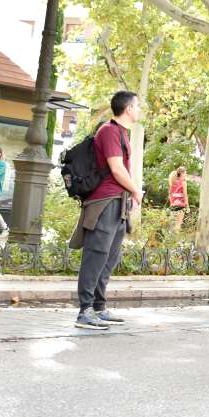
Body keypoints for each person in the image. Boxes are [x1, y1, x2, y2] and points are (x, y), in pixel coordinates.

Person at [68, 91, 142, 330]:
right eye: (137, 106)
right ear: (128, 108)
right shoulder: (109, 131)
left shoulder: (122, 133)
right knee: (96, 253)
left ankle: (98, 306)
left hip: (118, 202)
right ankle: (85, 311)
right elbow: (117, 169)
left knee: (111, 256)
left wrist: (128, 196)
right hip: (105, 202)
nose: (139, 110)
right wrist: (136, 191)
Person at [167, 166, 189, 231]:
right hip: (181, 205)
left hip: (173, 205)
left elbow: (170, 194)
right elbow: (185, 195)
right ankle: (176, 240)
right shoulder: (183, 182)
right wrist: (187, 206)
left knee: (172, 224)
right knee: (178, 224)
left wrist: (172, 203)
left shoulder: (173, 182)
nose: (186, 175)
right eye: (185, 173)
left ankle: (171, 239)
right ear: (182, 173)